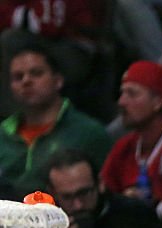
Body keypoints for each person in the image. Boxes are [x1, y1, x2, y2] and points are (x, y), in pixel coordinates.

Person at [0, 41, 111, 199]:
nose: (26, 81)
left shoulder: (89, 133)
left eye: (36, 73)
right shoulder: (2, 135)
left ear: (58, 80)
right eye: (18, 77)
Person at [100, 60, 162, 211]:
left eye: (132, 94)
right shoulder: (124, 147)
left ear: (158, 101)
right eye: (122, 93)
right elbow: (103, 195)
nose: (121, 102)